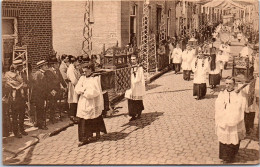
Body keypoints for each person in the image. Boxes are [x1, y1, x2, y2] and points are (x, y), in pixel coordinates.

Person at [75, 61, 107, 147]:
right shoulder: (82, 78)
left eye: (85, 71)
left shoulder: (95, 78)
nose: (84, 73)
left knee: (93, 118)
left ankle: (95, 133)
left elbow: (95, 91)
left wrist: (84, 92)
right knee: (83, 119)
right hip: (83, 102)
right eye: (83, 71)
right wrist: (83, 90)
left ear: (90, 69)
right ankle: (83, 138)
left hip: (92, 101)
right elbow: (77, 88)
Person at [215, 77, 246, 163]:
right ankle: (224, 156)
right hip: (224, 118)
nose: (228, 86)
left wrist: (232, 108)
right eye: (227, 83)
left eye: (230, 84)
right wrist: (222, 105)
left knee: (232, 136)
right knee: (224, 137)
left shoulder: (237, 94)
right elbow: (218, 103)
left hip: (233, 117)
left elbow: (240, 105)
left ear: (234, 85)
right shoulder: (222, 93)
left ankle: (231, 156)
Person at [5, 60, 28, 137]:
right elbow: (8, 86)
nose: (22, 68)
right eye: (20, 67)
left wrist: (25, 86)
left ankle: (21, 128)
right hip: (14, 96)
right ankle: (16, 131)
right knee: (15, 115)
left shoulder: (23, 73)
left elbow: (26, 82)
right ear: (16, 67)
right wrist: (17, 86)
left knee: (22, 113)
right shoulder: (9, 75)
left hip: (22, 96)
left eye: (22, 66)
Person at [45, 57, 67, 123]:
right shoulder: (48, 71)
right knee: (52, 104)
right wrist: (52, 90)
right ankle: (52, 117)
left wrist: (65, 86)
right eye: (57, 63)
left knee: (56, 104)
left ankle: (56, 115)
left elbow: (61, 79)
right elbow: (48, 83)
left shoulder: (57, 70)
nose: (58, 65)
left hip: (57, 90)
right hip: (51, 91)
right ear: (53, 64)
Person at [125, 54, 145, 121]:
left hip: (137, 85)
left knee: (138, 100)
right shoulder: (130, 67)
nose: (132, 61)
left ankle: (139, 113)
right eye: (131, 59)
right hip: (131, 85)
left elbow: (139, 78)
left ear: (136, 59)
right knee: (130, 99)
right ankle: (132, 115)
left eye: (134, 59)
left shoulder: (140, 67)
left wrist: (135, 74)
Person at [32, 60, 48, 130]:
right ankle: (41, 124)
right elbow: (36, 85)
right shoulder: (38, 73)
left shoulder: (43, 73)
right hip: (39, 95)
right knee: (40, 109)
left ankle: (39, 123)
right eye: (45, 65)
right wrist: (42, 92)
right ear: (41, 67)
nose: (46, 67)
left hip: (42, 94)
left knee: (41, 109)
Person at [67, 56, 81, 123]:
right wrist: (79, 84)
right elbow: (74, 80)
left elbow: (79, 75)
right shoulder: (71, 69)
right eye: (77, 62)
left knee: (76, 100)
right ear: (74, 62)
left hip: (76, 86)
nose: (78, 63)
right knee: (73, 101)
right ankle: (72, 116)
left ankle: (75, 115)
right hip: (73, 86)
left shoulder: (75, 68)